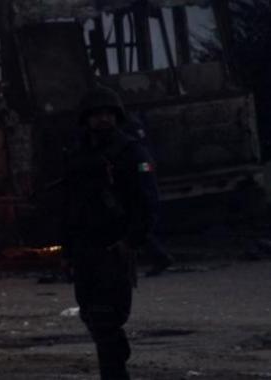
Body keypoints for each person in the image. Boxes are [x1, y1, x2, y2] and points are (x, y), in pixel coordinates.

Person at [62, 86, 159, 380]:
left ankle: (115, 372)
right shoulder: (77, 155)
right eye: (96, 115)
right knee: (91, 314)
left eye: (108, 114)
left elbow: (146, 200)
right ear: (86, 119)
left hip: (115, 245)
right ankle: (114, 362)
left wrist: (132, 240)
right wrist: (67, 250)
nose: (103, 120)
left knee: (107, 317)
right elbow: (69, 206)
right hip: (84, 248)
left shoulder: (130, 152)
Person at [125, 113, 174, 276]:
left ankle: (160, 256)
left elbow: (143, 169)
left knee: (138, 227)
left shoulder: (128, 128)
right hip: (143, 184)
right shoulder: (134, 124)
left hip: (141, 187)